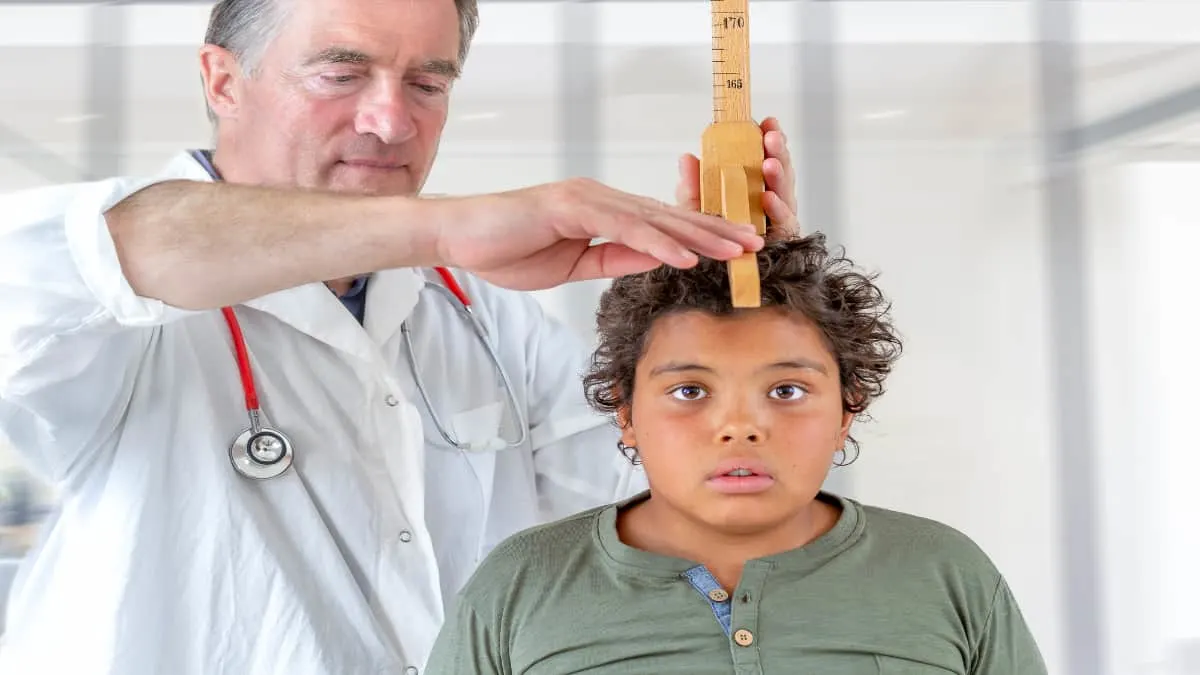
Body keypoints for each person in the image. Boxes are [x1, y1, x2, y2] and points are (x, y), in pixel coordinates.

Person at [0, 0, 801, 673]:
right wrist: (446, 225)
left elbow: (656, 525)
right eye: (340, 74)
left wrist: (737, 296)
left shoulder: (488, 316)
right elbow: (123, 244)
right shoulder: (108, 306)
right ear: (222, 79)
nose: (390, 120)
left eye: (427, 82)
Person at [423, 234, 1049, 675]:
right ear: (625, 410)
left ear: (847, 409)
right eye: (689, 391)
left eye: (787, 390)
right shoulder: (519, 584)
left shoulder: (945, 572)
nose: (741, 428)